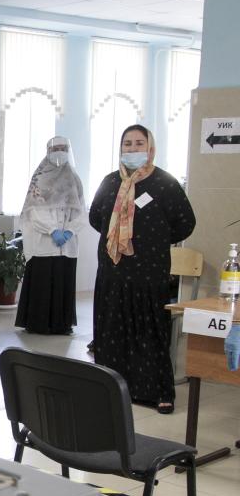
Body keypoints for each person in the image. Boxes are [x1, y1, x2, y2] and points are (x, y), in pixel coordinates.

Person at [89, 124, 195, 414]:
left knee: (150, 331)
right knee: (112, 330)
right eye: (127, 144)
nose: (132, 149)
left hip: (150, 272)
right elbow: (96, 217)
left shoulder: (165, 183)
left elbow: (185, 223)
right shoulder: (110, 182)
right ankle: (111, 389)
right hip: (114, 270)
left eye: (139, 143)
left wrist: (151, 240)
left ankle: (158, 392)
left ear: (150, 148)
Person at [15, 137, 86, 335]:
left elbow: (81, 209)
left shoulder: (74, 179)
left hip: (67, 243)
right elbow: (34, 210)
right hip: (43, 241)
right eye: (56, 148)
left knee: (63, 280)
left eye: (63, 148)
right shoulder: (40, 177)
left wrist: (70, 230)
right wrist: (52, 230)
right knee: (43, 282)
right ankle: (37, 323)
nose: (59, 152)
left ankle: (61, 324)